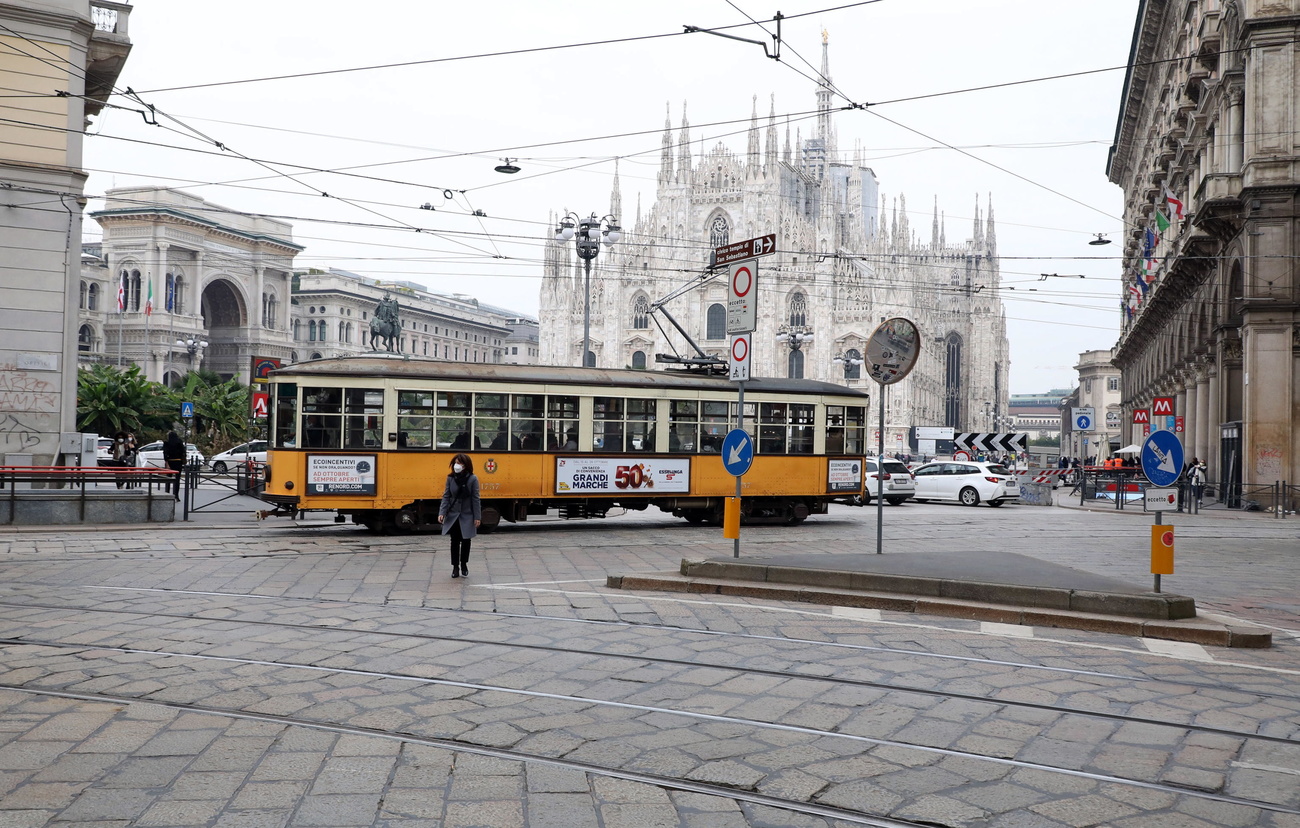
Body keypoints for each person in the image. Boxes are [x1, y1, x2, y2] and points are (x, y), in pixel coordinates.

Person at [438, 453, 481, 579]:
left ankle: (464, 564)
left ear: (466, 465)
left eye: (460, 463)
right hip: (453, 515)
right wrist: (442, 512)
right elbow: (446, 496)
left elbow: (475, 498)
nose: (458, 465)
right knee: (454, 541)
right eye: (456, 462)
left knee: (466, 540)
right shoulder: (450, 478)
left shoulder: (472, 479)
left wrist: (477, 517)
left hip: (467, 515)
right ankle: (455, 567)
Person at [162, 430, 186, 499]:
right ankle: (176, 495)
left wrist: (166, 462)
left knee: (168, 478)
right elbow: (183, 452)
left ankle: (167, 492)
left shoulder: (167, 443)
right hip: (178, 462)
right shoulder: (179, 442)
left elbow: (165, 453)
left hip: (170, 462)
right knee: (177, 479)